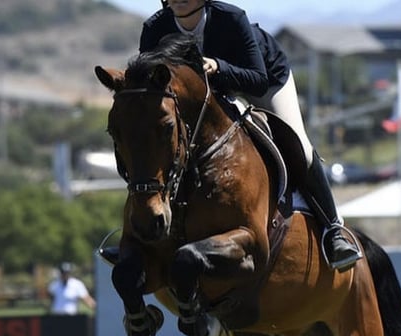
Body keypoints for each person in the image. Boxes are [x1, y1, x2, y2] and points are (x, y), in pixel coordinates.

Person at [139, 0, 362, 271]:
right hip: (207, 97)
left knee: (300, 148)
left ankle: (334, 230)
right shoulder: (155, 28)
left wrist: (219, 67)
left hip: (264, 80)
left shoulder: (230, 18)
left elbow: (257, 79)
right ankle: (139, 240)